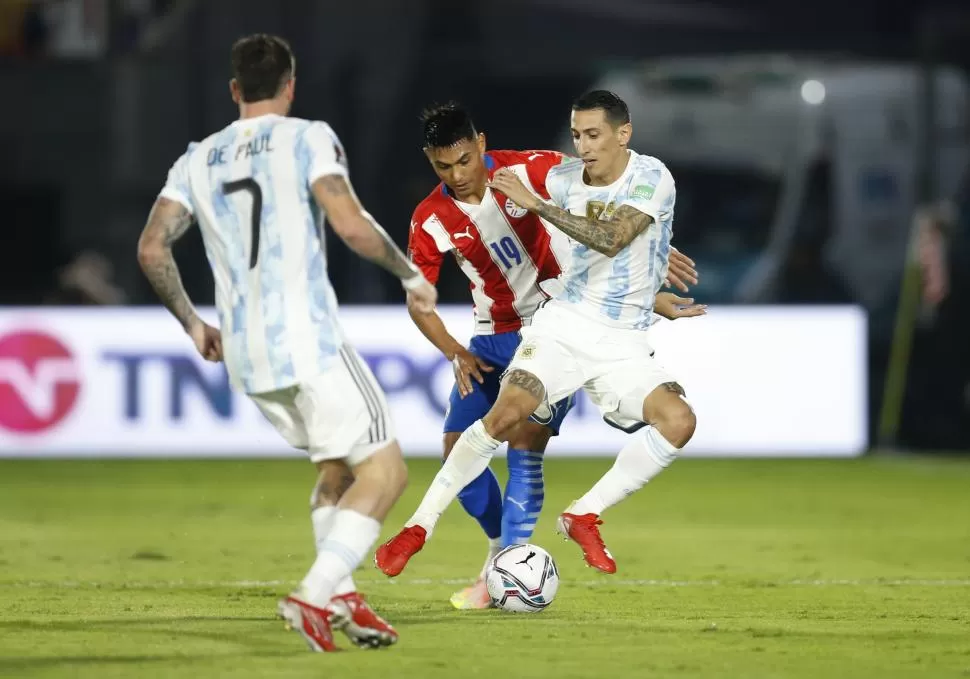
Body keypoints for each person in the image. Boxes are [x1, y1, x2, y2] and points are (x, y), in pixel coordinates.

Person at [136, 33, 436, 652]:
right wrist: (411, 276)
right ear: (291, 84)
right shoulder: (308, 137)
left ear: (235, 90)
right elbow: (350, 225)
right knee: (386, 471)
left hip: (246, 353)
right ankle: (312, 594)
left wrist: (195, 324)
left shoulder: (198, 158)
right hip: (307, 338)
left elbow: (150, 246)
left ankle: (345, 598)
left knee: (336, 469)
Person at [376, 91, 699, 579]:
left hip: (618, 339)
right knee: (497, 422)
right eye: (577, 135)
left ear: (622, 133)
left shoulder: (572, 174)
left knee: (677, 421)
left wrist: (657, 245)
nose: (459, 174)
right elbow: (589, 237)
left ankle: (581, 515)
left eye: (593, 134)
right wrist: (452, 349)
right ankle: (428, 530)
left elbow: (611, 234)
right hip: (550, 324)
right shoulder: (451, 211)